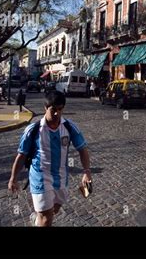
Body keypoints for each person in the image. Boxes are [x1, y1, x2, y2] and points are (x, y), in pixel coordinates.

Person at [8, 90, 92, 227]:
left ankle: (36, 219)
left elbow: (83, 149)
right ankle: (40, 218)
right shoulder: (33, 130)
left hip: (61, 178)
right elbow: (21, 155)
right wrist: (13, 178)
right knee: (47, 219)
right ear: (45, 108)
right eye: (53, 109)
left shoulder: (69, 127)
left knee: (55, 209)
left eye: (60, 110)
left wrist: (86, 171)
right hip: (40, 177)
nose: (56, 113)